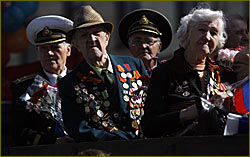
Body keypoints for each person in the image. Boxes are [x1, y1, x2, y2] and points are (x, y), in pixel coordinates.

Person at [141, 7, 237, 138]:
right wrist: (186, 114)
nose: (207, 37)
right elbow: (149, 126)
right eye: (201, 30)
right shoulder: (165, 73)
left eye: (214, 33)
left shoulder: (225, 74)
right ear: (187, 33)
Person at [58, 5, 148, 142]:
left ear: (107, 37)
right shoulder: (70, 83)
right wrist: (119, 141)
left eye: (96, 33)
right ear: (76, 45)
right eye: (84, 35)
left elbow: (151, 107)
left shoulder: (134, 65)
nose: (92, 39)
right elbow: (79, 129)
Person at [11, 15, 74, 146]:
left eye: (55, 47)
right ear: (37, 52)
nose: (49, 53)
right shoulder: (23, 88)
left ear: (68, 50)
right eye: (44, 48)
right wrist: (53, 142)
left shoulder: (82, 81)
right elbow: (19, 131)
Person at [118, 9, 172, 74]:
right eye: (137, 41)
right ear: (130, 45)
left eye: (149, 41)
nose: (143, 46)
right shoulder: (122, 74)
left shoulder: (168, 74)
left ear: (159, 47)